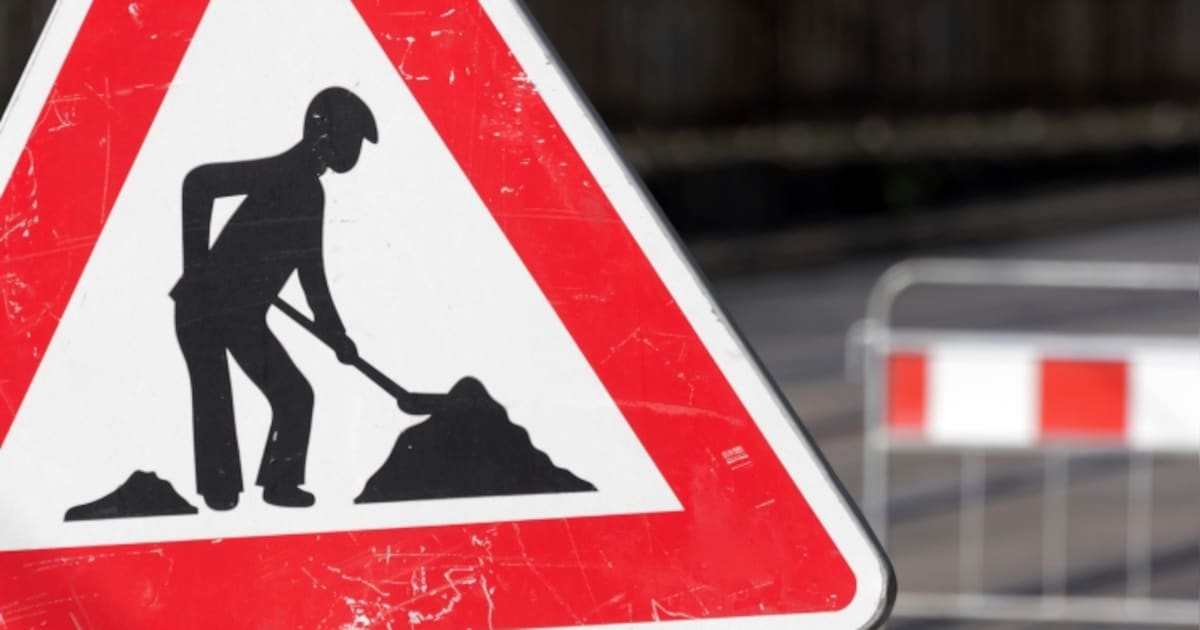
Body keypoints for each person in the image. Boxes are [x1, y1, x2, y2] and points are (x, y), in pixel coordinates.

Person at [172, 87, 377, 510]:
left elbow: (312, 275)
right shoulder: (284, 172)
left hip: (241, 315)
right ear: (326, 136)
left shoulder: (309, 191)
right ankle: (228, 491)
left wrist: (337, 336)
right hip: (203, 307)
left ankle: (278, 486)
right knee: (215, 398)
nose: (354, 149)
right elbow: (198, 182)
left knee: (295, 396)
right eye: (353, 137)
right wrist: (198, 272)